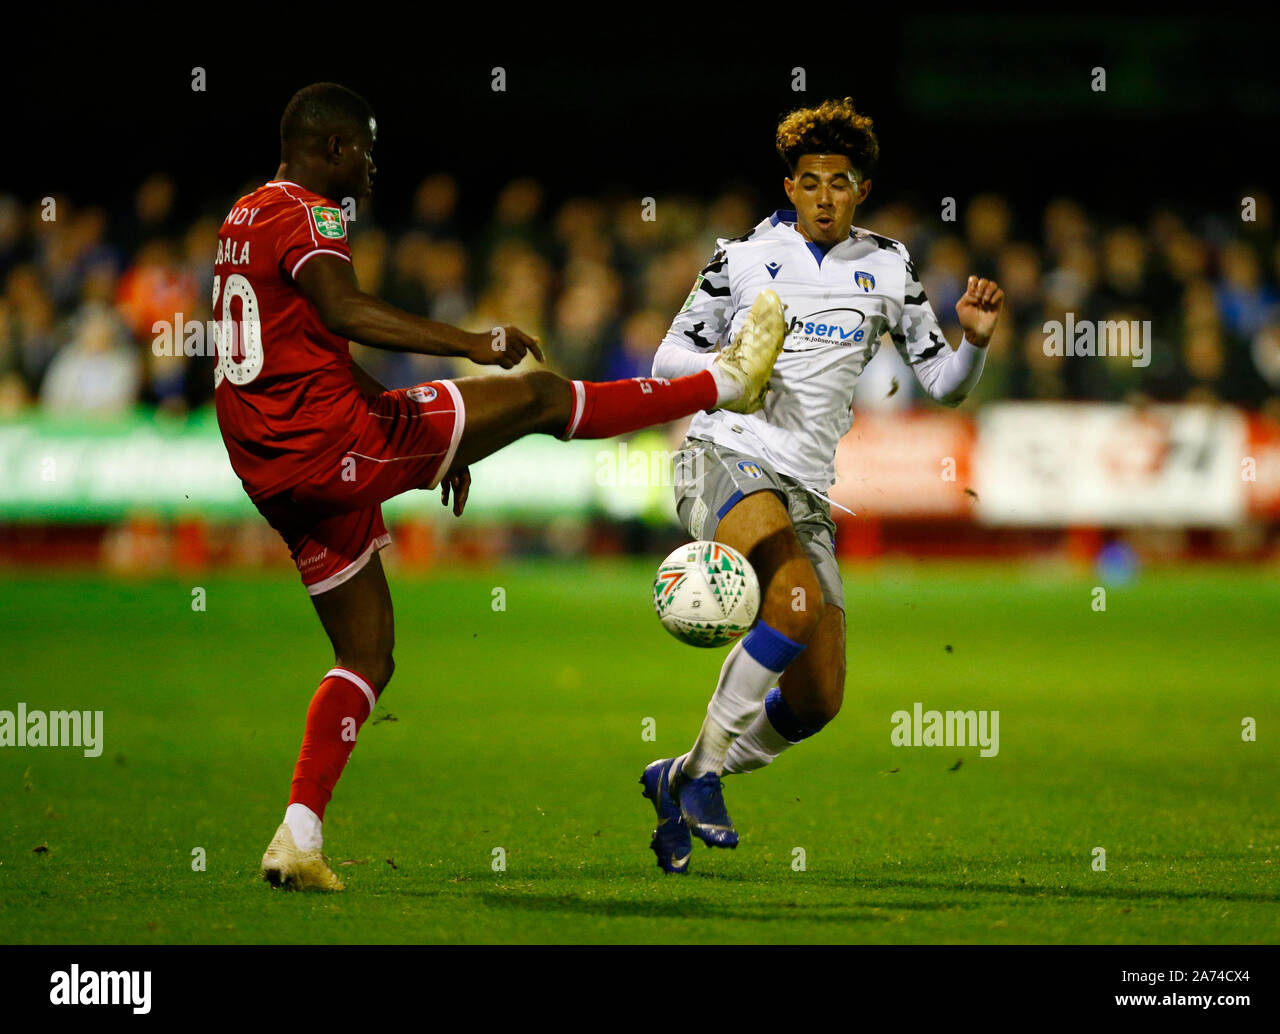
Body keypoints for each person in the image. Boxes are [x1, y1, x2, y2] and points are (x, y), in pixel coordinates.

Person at [213, 83, 786, 890]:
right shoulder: (314, 212)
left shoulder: (242, 215)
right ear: (335, 149)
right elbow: (344, 309)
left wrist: (438, 440)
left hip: (272, 463)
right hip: (329, 445)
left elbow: (316, 344)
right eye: (368, 150)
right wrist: (472, 341)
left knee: (366, 654)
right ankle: (722, 383)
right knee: (540, 396)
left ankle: (296, 839)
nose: (373, 167)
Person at [642, 97, 1005, 874]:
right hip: (723, 454)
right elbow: (666, 361)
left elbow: (941, 382)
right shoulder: (739, 256)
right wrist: (728, 372)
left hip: (806, 486)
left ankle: (675, 774)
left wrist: (972, 342)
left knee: (818, 699)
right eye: (810, 183)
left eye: (840, 182)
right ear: (790, 185)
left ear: (861, 189)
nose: (825, 197)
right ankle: (704, 775)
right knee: (793, 597)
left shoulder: (890, 267)